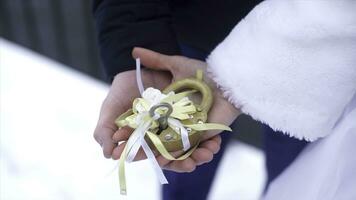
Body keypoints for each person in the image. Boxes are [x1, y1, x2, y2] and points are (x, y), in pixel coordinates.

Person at [95, 0, 356, 199]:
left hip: (303, 65)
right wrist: (136, 37)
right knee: (183, 169)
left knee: (293, 172)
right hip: (186, 32)